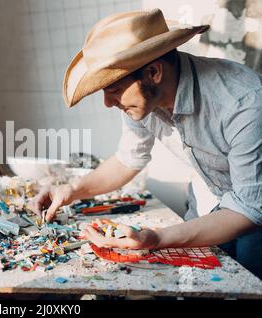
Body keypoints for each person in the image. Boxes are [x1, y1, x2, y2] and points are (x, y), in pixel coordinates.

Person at [29, 9, 262, 278]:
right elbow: (128, 158)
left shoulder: (244, 103)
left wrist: (157, 238)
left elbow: (249, 209)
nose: (107, 103)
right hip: (209, 203)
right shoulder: (142, 101)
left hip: (255, 218)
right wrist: (70, 190)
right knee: (194, 284)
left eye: (113, 89)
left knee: (248, 285)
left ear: (153, 72)